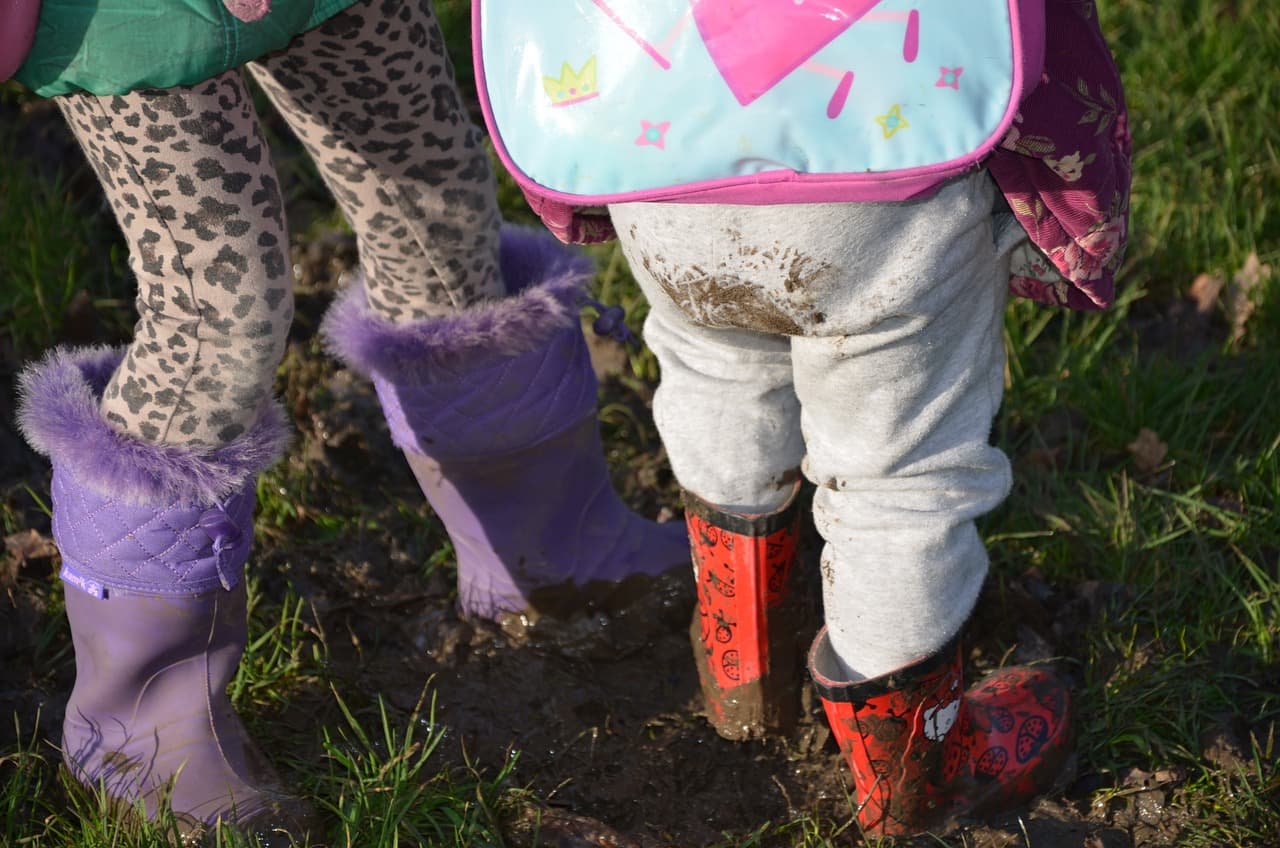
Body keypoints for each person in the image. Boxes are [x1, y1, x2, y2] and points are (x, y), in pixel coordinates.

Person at [8, 0, 688, 842]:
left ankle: (552, 558)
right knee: (220, 310)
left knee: (435, 202)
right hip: (130, 20)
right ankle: (142, 725)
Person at [478, 0, 1131, 835]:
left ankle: (744, 673)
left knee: (717, 366)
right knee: (897, 471)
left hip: (655, 121)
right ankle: (912, 781)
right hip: (885, 137)